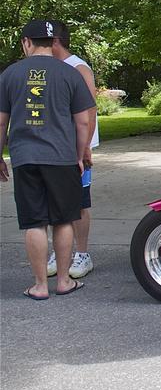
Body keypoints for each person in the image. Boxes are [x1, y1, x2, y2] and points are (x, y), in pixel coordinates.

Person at [0, 19, 94, 299]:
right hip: (62, 157)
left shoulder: (10, 74)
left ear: (26, 42)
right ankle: (64, 281)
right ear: (52, 43)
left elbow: (1, 121)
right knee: (64, 220)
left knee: (34, 222)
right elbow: (83, 122)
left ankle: (40, 285)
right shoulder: (69, 73)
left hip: (25, 158)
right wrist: (80, 155)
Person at [46, 21, 99, 279]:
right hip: (56, 146)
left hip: (77, 146)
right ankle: (61, 250)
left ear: (55, 41)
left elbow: (90, 109)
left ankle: (82, 253)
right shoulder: (50, 68)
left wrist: (86, 146)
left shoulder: (78, 67)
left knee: (79, 201)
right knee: (56, 200)